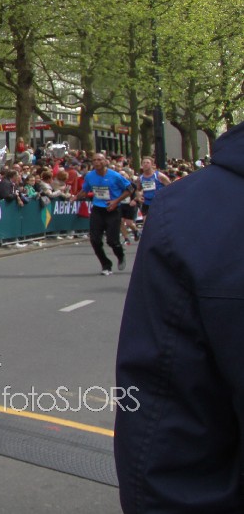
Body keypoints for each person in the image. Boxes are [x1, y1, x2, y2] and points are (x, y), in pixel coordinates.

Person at [115, 121, 244, 511]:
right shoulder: (181, 205)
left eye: (149, 165)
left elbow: (165, 440)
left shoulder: (174, 194)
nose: (147, 167)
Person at [78, 152, 132, 276]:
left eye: (99, 160)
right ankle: (106, 265)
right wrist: (75, 197)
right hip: (97, 209)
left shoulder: (115, 176)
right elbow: (85, 190)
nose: (97, 162)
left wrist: (116, 201)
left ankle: (120, 255)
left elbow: (130, 189)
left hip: (113, 210)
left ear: (105, 161)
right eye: (94, 160)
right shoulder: (90, 176)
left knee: (112, 241)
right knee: (95, 240)